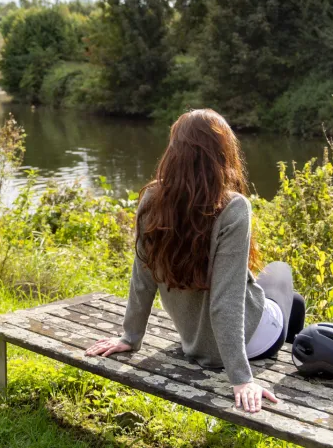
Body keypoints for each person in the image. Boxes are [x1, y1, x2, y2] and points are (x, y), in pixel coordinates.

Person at [85, 109, 305, 414]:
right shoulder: (233, 207)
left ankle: (289, 344)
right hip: (247, 346)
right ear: (223, 153)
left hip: (194, 343)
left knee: (274, 289)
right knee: (283, 277)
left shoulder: (151, 199)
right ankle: (291, 357)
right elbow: (225, 301)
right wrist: (241, 379)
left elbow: (142, 278)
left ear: (174, 151)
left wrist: (131, 337)